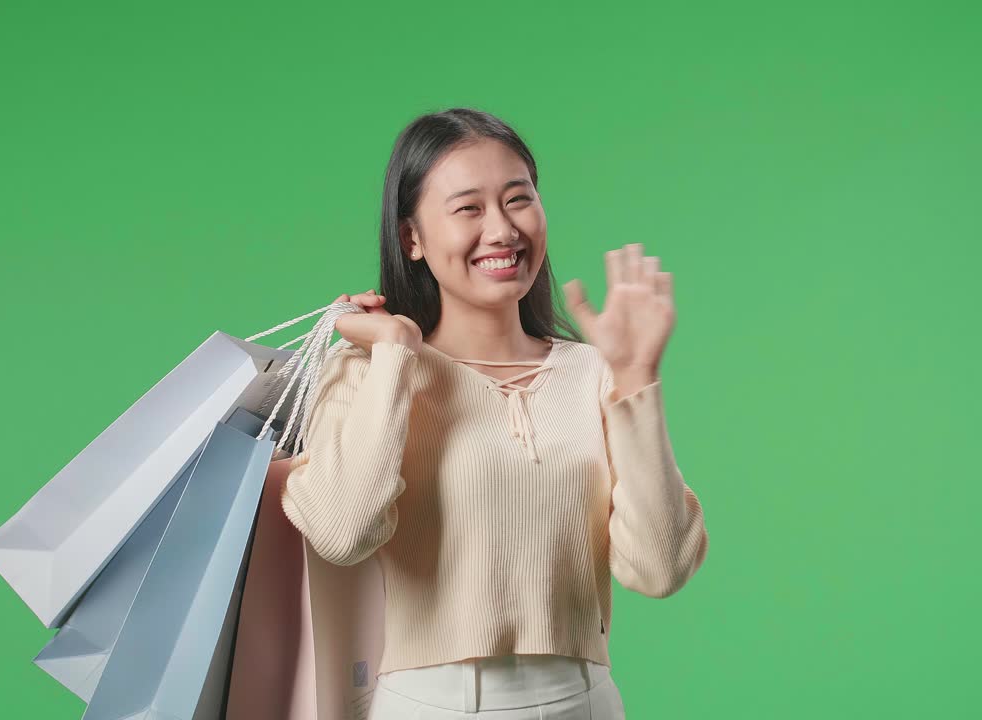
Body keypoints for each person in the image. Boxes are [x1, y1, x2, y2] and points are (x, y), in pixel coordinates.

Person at [279, 107, 709, 719]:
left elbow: (660, 569)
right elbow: (344, 532)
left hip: (585, 702)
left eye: (517, 200)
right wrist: (397, 353)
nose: (503, 230)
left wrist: (636, 376)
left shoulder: (596, 372)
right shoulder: (368, 372)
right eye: (468, 209)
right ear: (412, 239)